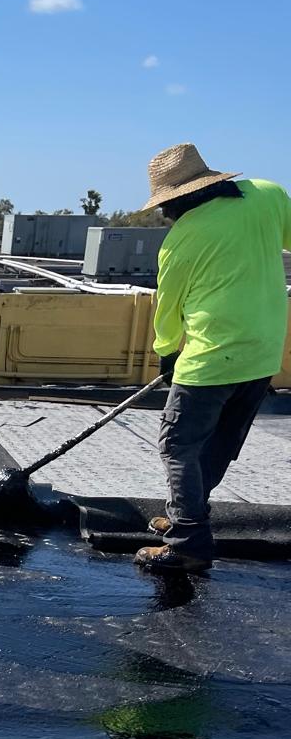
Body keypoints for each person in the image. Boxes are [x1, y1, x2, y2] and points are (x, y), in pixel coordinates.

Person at [135, 143, 291, 573]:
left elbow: (167, 309)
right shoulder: (268, 194)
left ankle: (187, 542)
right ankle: (186, 512)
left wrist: (166, 353)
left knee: (178, 445)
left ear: (177, 198)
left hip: (209, 361)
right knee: (218, 444)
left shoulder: (181, 241)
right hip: (261, 356)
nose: (167, 214)